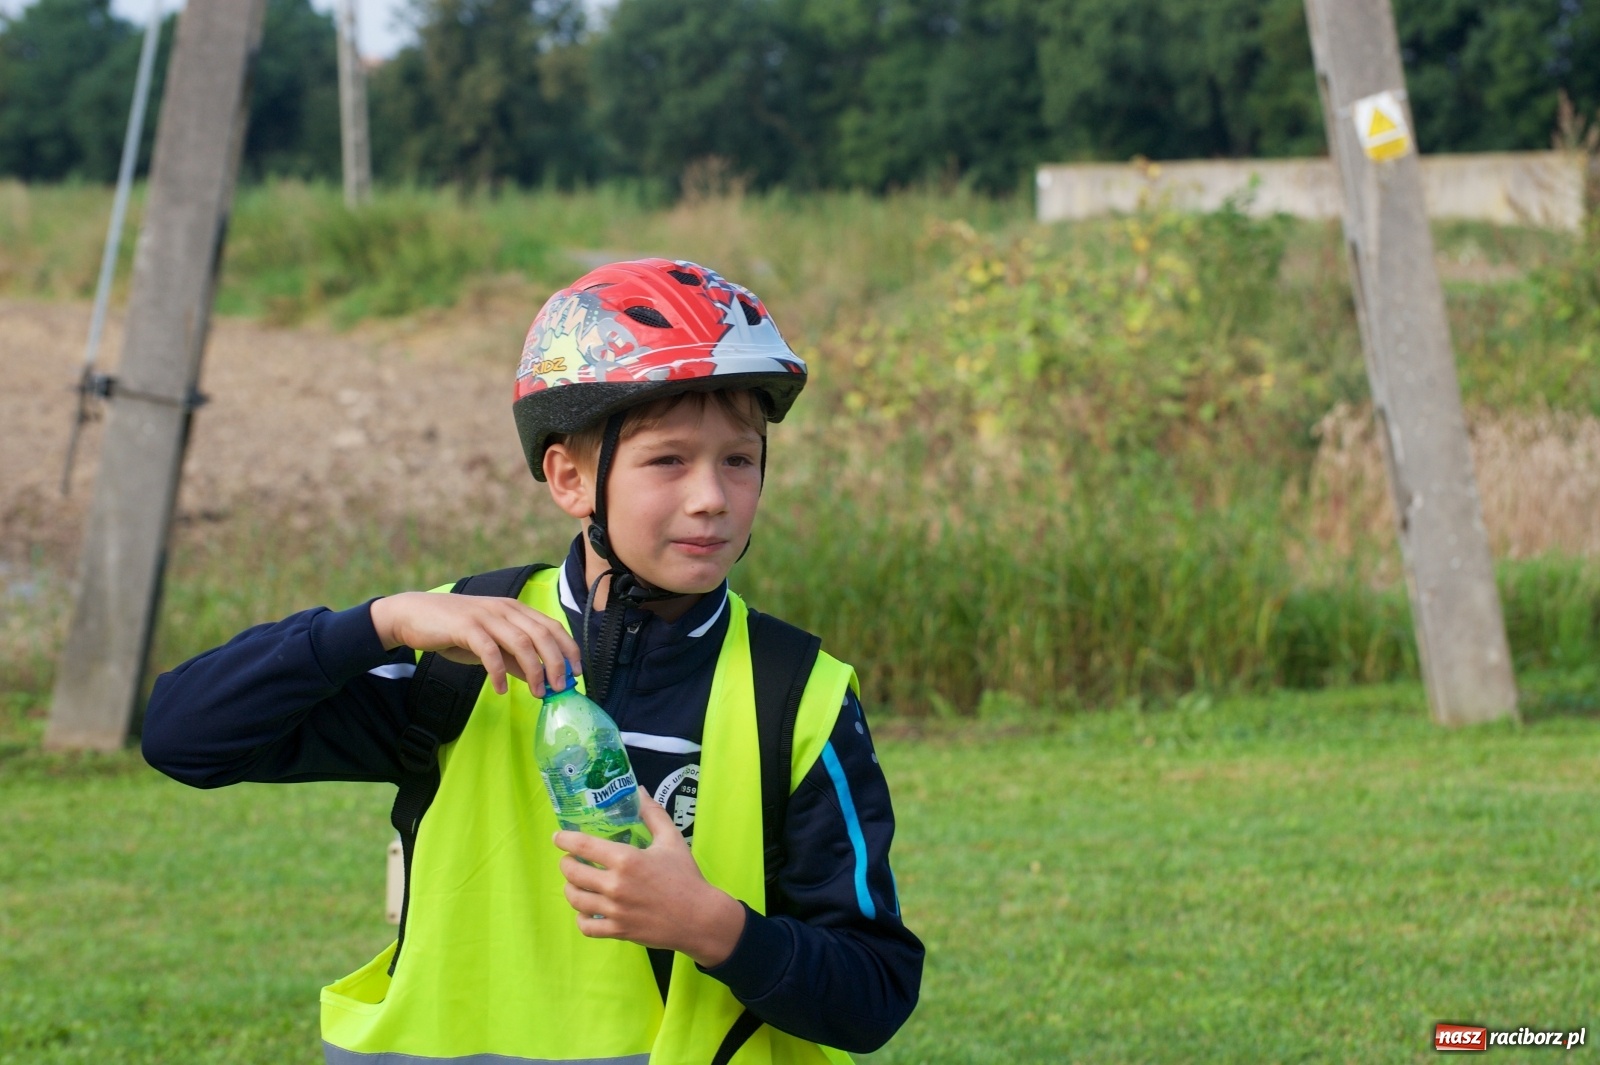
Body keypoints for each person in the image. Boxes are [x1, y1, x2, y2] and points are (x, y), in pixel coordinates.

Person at [142, 258, 923, 1065]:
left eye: (740, 458)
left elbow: (874, 994)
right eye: (668, 460)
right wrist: (379, 622)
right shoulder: (458, 650)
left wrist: (712, 926)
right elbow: (182, 735)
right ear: (570, 477)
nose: (712, 498)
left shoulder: (797, 693)